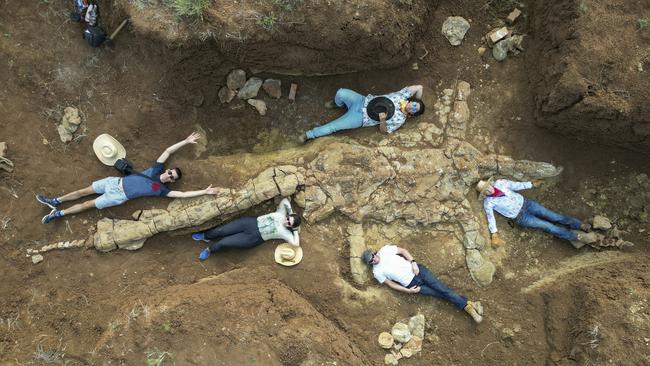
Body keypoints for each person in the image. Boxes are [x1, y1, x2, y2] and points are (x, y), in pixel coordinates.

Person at [37, 132, 217, 224]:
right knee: (82, 191)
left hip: (118, 197)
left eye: (173, 177)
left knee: (86, 205)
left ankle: (58, 213)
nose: (170, 175)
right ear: (168, 170)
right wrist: (185, 142)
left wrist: (205, 192)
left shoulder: (162, 190)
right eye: (171, 172)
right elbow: (168, 151)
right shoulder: (156, 168)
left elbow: (183, 195)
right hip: (114, 182)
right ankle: (55, 200)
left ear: (172, 181)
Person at [362, 245, 484, 323]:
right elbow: (391, 284)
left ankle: (468, 308)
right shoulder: (376, 272)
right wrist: (408, 291)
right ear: (370, 263)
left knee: (443, 290)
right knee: (440, 294)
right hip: (412, 285)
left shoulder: (385, 250)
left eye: (372, 257)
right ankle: (471, 304)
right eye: (371, 261)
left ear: (373, 253)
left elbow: (403, 251)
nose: (374, 260)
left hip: (419, 271)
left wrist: (413, 262)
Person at [477, 178, 594, 247]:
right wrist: (494, 233)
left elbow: (516, 185)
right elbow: (490, 217)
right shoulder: (489, 202)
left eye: (488, 186)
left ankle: (579, 225)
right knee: (549, 227)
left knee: (554, 216)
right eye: (485, 191)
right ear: (484, 194)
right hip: (521, 217)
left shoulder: (500, 183)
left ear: (490, 183)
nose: (489, 190)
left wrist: (531, 184)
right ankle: (576, 236)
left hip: (528, 203)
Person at [301, 85, 426, 141]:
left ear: (412, 114)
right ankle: (338, 104)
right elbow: (419, 87)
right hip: (361, 100)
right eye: (414, 105)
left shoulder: (400, 119)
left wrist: (382, 120)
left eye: (415, 109)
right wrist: (418, 101)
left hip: (361, 118)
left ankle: (309, 135)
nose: (412, 107)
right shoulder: (402, 96)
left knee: (333, 126)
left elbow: (385, 131)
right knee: (340, 92)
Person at [192, 198, 301, 261]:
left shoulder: (285, 233)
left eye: (289, 223)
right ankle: (205, 236)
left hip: (253, 238)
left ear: (290, 227)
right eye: (288, 219)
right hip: (250, 223)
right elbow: (285, 200)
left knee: (224, 243)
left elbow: (296, 244)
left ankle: (210, 250)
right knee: (222, 230)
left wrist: (295, 230)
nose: (286, 221)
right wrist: (291, 212)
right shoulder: (281, 213)